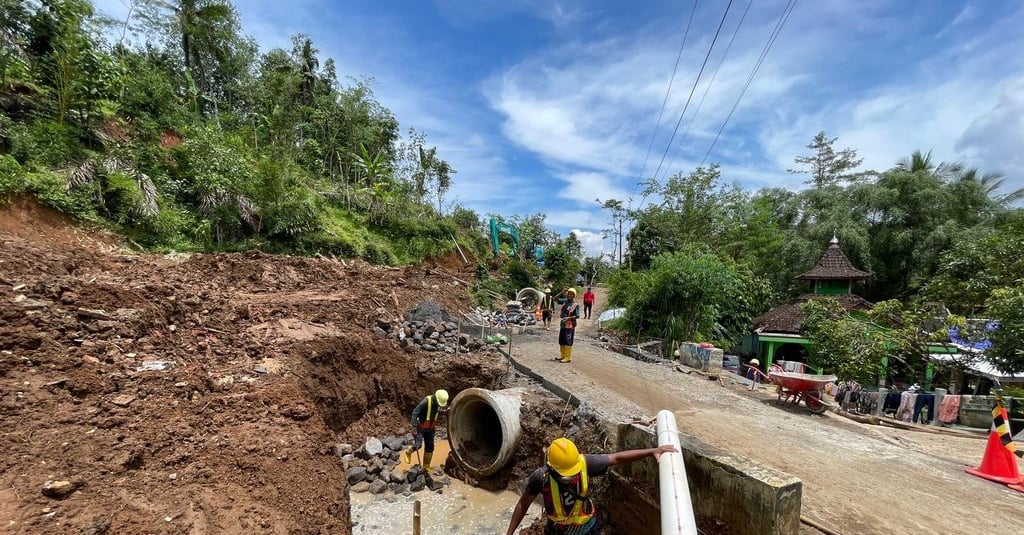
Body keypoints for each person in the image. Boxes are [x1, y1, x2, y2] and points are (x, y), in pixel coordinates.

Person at [504, 437, 677, 535]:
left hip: (587, 529)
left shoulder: (585, 463)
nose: (570, 476)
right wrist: (509, 533)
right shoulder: (540, 477)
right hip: (558, 532)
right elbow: (522, 504)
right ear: (551, 467)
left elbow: (616, 458)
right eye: (566, 474)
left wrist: (652, 450)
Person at [404, 389, 449, 474]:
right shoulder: (425, 402)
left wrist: (444, 412)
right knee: (418, 445)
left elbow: (437, 410)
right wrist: (413, 427)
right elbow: (415, 412)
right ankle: (408, 451)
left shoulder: (437, 404)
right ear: (435, 398)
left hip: (431, 429)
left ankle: (426, 466)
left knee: (430, 447)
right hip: (421, 428)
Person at [557, 288, 580, 363]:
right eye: (568, 294)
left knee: (568, 341)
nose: (569, 295)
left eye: (571, 294)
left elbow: (577, 316)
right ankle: (562, 356)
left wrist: (568, 318)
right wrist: (561, 292)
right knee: (562, 340)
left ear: (574, 296)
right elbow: (555, 299)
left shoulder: (575, 305)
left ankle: (567, 357)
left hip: (569, 325)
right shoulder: (564, 302)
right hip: (563, 325)